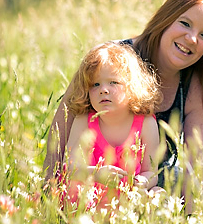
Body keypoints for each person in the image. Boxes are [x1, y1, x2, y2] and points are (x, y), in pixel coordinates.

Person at [44, 0, 203, 205]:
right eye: (185, 23)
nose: (192, 38)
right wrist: (49, 201)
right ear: (166, 18)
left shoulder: (196, 88)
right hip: (89, 190)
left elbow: (198, 174)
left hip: (149, 200)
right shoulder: (107, 62)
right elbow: (60, 137)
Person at [64, 41, 161, 211]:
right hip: (90, 199)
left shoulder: (146, 123)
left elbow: (151, 171)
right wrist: (95, 173)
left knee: (158, 194)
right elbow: (70, 168)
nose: (103, 90)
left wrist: (142, 182)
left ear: (132, 86)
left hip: (127, 198)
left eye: (113, 82)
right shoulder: (84, 121)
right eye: (95, 84)